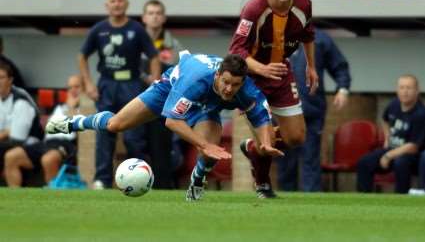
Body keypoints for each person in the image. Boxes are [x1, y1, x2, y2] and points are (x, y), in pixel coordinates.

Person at [46, 53, 282, 200]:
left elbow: (261, 118)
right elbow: (172, 121)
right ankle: (73, 123)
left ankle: (196, 183)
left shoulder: (247, 89)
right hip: (169, 90)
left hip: (206, 106)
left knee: (212, 150)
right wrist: (202, 143)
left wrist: (266, 144)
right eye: (226, 82)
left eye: (235, 85)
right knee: (116, 124)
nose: (230, 89)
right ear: (218, 75)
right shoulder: (197, 80)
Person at [229, 0, 319, 198]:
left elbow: (308, 35)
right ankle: (262, 184)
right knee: (266, 137)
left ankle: (253, 148)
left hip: (281, 73)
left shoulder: (304, 5)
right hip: (251, 78)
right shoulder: (253, 9)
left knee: (297, 137)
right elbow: (236, 50)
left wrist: (311, 67)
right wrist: (261, 69)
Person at [76, 0, 161, 189]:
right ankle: (102, 180)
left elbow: (154, 56)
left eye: (120, 1)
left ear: (127, 4)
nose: (116, 4)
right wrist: (88, 82)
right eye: (112, 1)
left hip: (131, 85)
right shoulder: (98, 29)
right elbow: (82, 56)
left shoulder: (136, 29)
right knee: (104, 132)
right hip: (107, 84)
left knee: (135, 135)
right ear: (107, 5)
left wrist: (156, 83)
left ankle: (142, 179)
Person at [276, 0, 351, 192]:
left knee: (310, 160)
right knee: (285, 164)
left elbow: (340, 67)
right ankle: (284, 210)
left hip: (312, 109)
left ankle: (312, 209)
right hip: (282, 111)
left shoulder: (321, 39)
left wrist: (343, 89)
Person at [357, 74, 425, 194]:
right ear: (397, 90)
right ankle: (363, 198)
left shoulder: (421, 114)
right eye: (402, 88)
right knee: (365, 162)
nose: (405, 92)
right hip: (393, 149)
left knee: (401, 162)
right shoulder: (394, 105)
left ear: (417, 91)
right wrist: (387, 138)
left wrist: (389, 156)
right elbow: (384, 119)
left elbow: (413, 147)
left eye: (409, 88)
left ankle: (401, 198)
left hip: (415, 156)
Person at [4, 75, 83, 187]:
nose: (73, 90)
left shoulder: (89, 107)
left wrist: (72, 108)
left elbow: (75, 131)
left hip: (67, 144)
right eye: (70, 87)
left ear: (84, 88)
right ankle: (16, 197)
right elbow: (49, 127)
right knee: (11, 156)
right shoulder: (60, 107)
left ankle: (53, 197)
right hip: (47, 142)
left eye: (77, 87)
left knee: (48, 159)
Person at [141, 0, 184, 188]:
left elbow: (182, 72)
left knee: (162, 151)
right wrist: (145, 78)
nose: (154, 17)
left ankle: (163, 187)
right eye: (150, 13)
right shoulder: (136, 39)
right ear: (144, 17)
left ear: (164, 17)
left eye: (158, 13)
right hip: (138, 100)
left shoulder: (174, 46)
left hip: (163, 105)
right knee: (137, 146)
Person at [0, 62, 43, 178]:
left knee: (8, 154)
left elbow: (17, 139)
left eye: (1, 78)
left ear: (10, 80)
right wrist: (6, 132)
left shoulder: (20, 100)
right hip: (7, 142)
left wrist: (6, 133)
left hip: (31, 144)